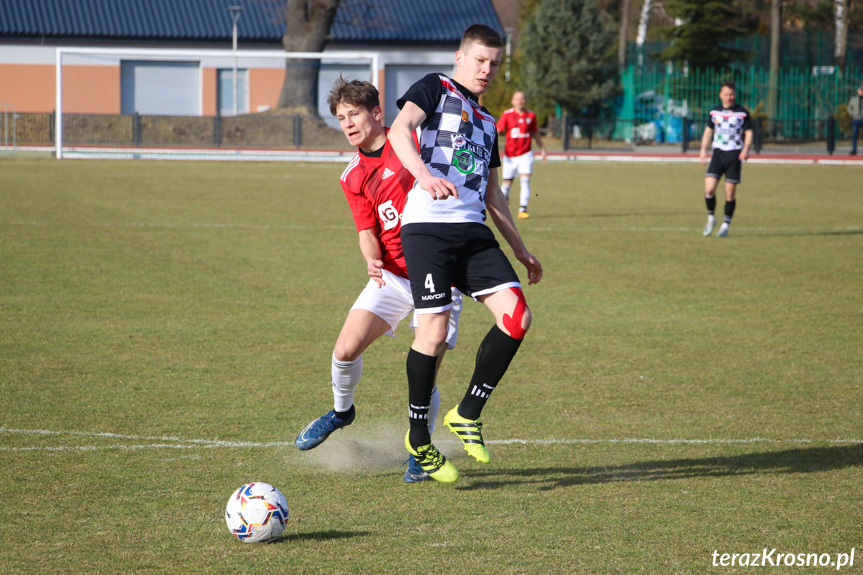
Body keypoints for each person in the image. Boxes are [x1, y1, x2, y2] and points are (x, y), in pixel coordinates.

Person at [388, 24, 544, 483]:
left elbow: (493, 193)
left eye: (494, 64)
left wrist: (521, 249)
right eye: (480, 60)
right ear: (460, 57)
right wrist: (423, 175)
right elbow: (400, 130)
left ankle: (467, 412)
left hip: (474, 234)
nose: (487, 70)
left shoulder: (488, 120)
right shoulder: (435, 88)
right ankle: (419, 437)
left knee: (517, 317)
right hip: (429, 230)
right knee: (432, 334)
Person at [294, 77, 463, 484]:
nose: (348, 123)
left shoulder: (412, 140)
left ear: (375, 113)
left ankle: (420, 449)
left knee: (426, 369)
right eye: (340, 118)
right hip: (392, 276)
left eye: (354, 114)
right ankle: (341, 412)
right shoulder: (352, 175)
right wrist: (371, 259)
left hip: (438, 272)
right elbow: (366, 230)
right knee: (344, 349)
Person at [699, 81, 753, 238]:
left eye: (732, 94)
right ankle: (711, 217)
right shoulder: (714, 112)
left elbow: (748, 133)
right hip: (717, 154)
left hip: (734, 155)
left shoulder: (742, 112)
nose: (729, 97)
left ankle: (725, 225)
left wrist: (745, 150)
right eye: (726, 94)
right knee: (709, 189)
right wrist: (703, 151)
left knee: (729, 193)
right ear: (720, 95)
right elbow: (708, 131)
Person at [496, 91, 547, 219]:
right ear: (513, 101)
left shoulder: (531, 115)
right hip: (510, 155)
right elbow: (497, 130)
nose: (520, 101)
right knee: (507, 183)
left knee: (525, 180)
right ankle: (504, 201)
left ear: (526, 101)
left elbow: (535, 133)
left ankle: (522, 209)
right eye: (518, 99)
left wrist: (542, 149)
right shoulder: (507, 114)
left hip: (526, 154)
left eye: (523, 99)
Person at [847, 85, 863, 156]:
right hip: (855, 119)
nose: (861, 92)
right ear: (858, 91)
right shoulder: (854, 99)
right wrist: (853, 113)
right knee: (854, 134)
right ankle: (854, 150)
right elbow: (849, 108)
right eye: (860, 90)